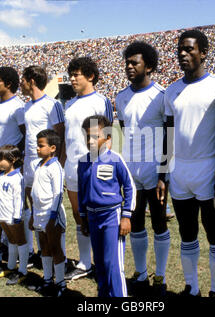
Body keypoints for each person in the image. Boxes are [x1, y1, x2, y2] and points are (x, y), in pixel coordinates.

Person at [157, 29, 215, 297]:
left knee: (214, 234)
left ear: (203, 52)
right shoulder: (172, 91)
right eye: (180, 50)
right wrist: (162, 173)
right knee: (187, 234)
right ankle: (192, 288)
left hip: (209, 170)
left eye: (189, 49)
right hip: (180, 171)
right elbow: (168, 133)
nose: (183, 54)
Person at [115, 41, 170, 295]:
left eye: (134, 63)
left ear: (148, 66)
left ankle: (160, 276)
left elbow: (169, 136)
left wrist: (163, 174)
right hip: (131, 170)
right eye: (127, 62)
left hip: (155, 170)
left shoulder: (161, 95)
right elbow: (125, 132)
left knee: (159, 223)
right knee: (135, 223)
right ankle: (140, 273)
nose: (129, 67)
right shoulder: (121, 97)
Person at [63, 57, 114, 281]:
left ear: (90, 76)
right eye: (70, 75)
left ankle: (103, 261)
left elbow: (110, 136)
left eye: (76, 74)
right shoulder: (68, 103)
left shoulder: (101, 102)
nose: (72, 79)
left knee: (98, 214)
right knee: (78, 215)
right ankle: (84, 262)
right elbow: (67, 138)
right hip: (72, 166)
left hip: (95, 166)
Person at [78, 115, 135, 297]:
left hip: (112, 216)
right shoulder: (83, 162)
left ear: (108, 137)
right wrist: (83, 217)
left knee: (113, 265)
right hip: (92, 217)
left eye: (95, 136)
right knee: (100, 263)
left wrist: (126, 216)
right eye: (87, 136)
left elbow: (129, 186)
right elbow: (81, 191)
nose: (90, 141)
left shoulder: (115, 159)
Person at [20, 65, 65, 266]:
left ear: (31, 81)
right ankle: (42, 252)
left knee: (52, 206)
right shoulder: (27, 106)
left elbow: (60, 135)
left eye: (23, 79)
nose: (20, 83)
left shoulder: (52, 105)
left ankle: (58, 253)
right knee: (35, 206)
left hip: (48, 164)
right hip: (30, 162)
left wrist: (59, 164)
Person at [29, 129, 67, 297]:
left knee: (55, 247)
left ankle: (60, 283)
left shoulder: (56, 167)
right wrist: (32, 214)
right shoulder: (38, 165)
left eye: (41, 146)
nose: (37, 149)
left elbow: (58, 194)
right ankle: (47, 279)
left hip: (52, 215)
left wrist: (53, 217)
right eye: (37, 145)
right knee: (43, 247)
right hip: (38, 213)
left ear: (52, 148)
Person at [0, 144, 29, 286]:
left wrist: (17, 215)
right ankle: (11, 267)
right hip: (1, 215)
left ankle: (23, 271)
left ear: (12, 159)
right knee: (11, 240)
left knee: (20, 241)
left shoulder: (17, 177)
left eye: (1, 159)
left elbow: (19, 198)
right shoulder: (0, 177)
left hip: (13, 216)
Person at [0, 67, 25, 159]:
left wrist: (12, 155)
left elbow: (26, 135)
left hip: (11, 163)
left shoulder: (19, 107)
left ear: (8, 84)